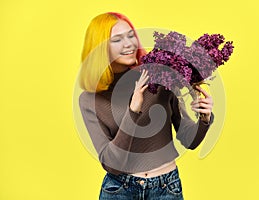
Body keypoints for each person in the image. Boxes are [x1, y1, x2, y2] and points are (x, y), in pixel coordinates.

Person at [78, 12, 214, 200]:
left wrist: (204, 118)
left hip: (166, 187)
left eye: (131, 35)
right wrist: (132, 111)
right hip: (119, 190)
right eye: (117, 39)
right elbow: (111, 164)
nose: (129, 44)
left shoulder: (159, 76)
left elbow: (188, 139)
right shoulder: (89, 100)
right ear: (100, 48)